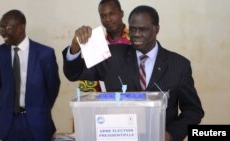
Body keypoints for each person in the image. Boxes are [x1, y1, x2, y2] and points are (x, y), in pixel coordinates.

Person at [63, 5, 204, 141]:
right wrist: (75, 47)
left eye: (143, 29)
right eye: (133, 29)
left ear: (156, 29)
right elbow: (74, 73)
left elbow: (193, 110)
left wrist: (170, 134)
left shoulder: (179, 65)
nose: (136, 34)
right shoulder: (112, 55)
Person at [0, 10, 60, 141]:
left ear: (22, 27)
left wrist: (39, 107)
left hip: (38, 121)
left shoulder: (45, 54)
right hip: (8, 123)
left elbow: (53, 87)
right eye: (1, 28)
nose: (2, 32)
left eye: (7, 27)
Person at [78, 0, 131, 92]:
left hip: (138, 100)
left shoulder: (137, 39)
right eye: (103, 16)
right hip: (107, 102)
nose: (108, 19)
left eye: (112, 13)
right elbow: (90, 87)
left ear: (121, 13)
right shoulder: (96, 44)